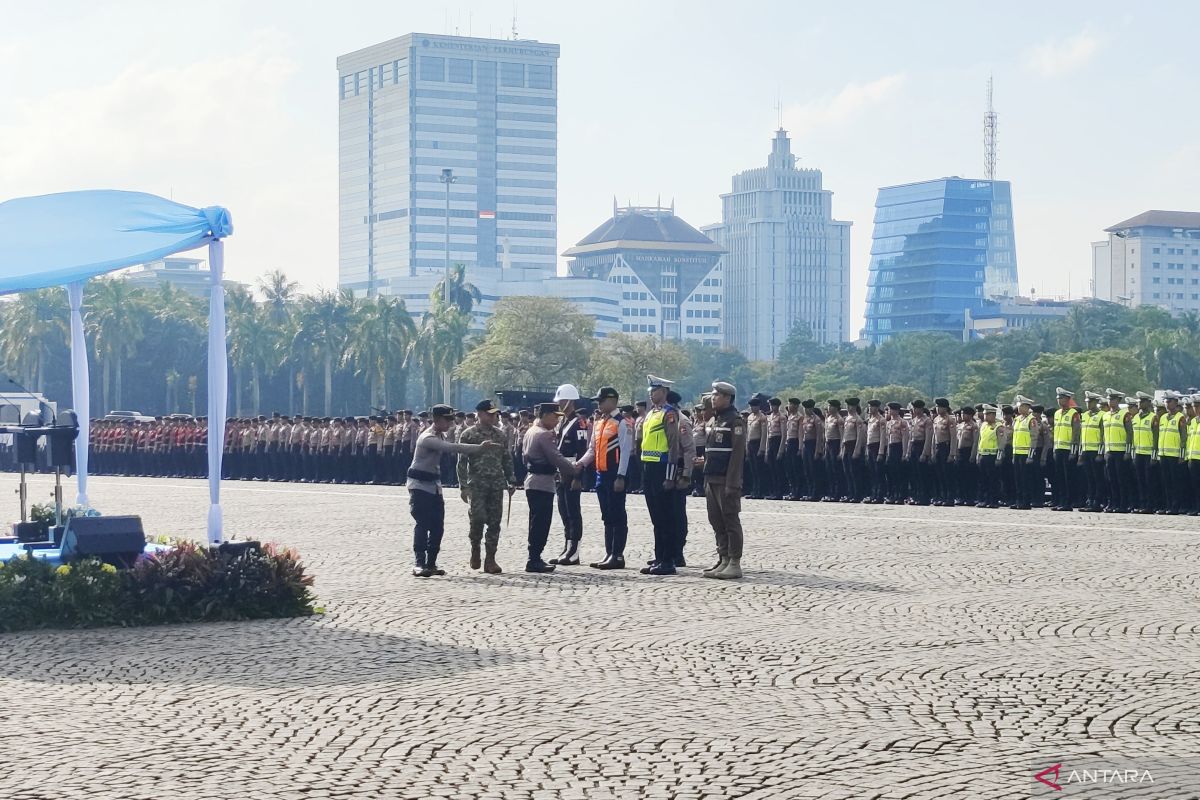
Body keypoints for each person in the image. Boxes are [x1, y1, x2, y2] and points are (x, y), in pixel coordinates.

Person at [405, 404, 502, 578]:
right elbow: (451, 448)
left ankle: (431, 563)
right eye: (448, 419)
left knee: (437, 526)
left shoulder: (439, 434)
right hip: (420, 485)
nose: (451, 422)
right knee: (422, 524)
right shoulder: (427, 437)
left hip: (434, 486)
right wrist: (479, 448)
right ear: (436, 420)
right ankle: (419, 563)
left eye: (452, 419)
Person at [457, 399, 518, 574]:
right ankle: (475, 548)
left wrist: (511, 480)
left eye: (495, 414)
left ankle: (490, 559)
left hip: (496, 484)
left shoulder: (499, 435)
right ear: (480, 414)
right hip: (477, 485)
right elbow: (461, 463)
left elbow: (506, 459)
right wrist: (463, 486)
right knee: (477, 519)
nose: (493, 417)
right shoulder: (469, 435)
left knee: (494, 522)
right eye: (490, 414)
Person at [575, 387, 633, 569]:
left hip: (615, 474)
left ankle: (618, 555)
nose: (598, 404)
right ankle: (609, 553)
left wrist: (621, 476)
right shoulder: (599, 422)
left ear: (612, 400)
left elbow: (625, 452)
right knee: (606, 516)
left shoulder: (621, 422)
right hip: (601, 474)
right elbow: (592, 449)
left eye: (601, 401)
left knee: (617, 514)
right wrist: (581, 464)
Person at [522, 403, 579, 573]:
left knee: (536, 521)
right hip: (542, 482)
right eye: (555, 416)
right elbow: (556, 458)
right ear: (545, 415)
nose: (557, 420)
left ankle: (534, 556)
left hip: (532, 480)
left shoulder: (531, 431)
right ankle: (534, 558)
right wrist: (575, 469)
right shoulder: (544, 435)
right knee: (541, 523)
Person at [700, 381, 747, 580]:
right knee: (716, 520)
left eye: (717, 395)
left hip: (725, 480)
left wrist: (732, 483)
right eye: (713, 394)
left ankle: (735, 562)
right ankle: (724, 558)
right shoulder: (715, 420)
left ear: (727, 398)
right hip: (711, 477)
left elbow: (736, 456)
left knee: (730, 520)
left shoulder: (735, 421)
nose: (713, 398)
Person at [640, 375, 683, 576]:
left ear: (663, 392)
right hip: (649, 467)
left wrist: (670, 476)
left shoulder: (669, 414)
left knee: (665, 517)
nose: (651, 394)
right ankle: (659, 557)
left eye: (654, 391)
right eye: (650, 391)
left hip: (662, 468)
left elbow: (674, 446)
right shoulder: (651, 414)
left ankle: (667, 560)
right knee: (656, 517)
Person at [550, 383, 589, 565]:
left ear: (570, 401)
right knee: (564, 511)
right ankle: (567, 546)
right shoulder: (563, 421)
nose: (560, 404)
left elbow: (582, 451)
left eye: (563, 401)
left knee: (573, 512)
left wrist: (578, 477)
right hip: (561, 471)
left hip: (572, 470)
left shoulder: (579, 422)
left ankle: (574, 551)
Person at [1050, 388, 1081, 511]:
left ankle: (1068, 502)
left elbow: (1076, 433)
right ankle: (1062, 501)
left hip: (1068, 449)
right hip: (1058, 448)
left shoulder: (1074, 413)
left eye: (1062, 398)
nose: (1059, 400)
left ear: (1068, 399)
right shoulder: (1057, 413)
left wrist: (1073, 451)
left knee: (1069, 477)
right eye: (1058, 398)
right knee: (1060, 477)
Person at [1077, 391, 1105, 511]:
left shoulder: (1103, 415)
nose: (1088, 404)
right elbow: (1082, 436)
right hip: (1086, 451)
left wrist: (1100, 452)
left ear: (1096, 402)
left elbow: (1104, 436)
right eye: (1087, 402)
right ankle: (1090, 500)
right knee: (1089, 478)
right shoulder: (1085, 415)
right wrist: (1080, 453)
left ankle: (1097, 502)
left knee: (1097, 478)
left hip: (1096, 451)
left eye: (1091, 402)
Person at [975, 405, 1001, 508]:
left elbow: (1001, 444)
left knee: (993, 480)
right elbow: (980, 441)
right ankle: (984, 500)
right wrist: (978, 455)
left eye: (986, 414)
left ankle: (993, 501)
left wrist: (999, 458)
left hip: (992, 456)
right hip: (983, 455)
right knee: (983, 480)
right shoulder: (983, 425)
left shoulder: (999, 426)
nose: (984, 416)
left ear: (992, 415)